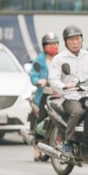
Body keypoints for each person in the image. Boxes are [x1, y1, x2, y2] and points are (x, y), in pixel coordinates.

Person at [48, 25, 88, 156]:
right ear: (66, 42)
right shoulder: (59, 58)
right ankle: (68, 142)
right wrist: (64, 86)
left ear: (82, 40)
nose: (75, 42)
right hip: (70, 96)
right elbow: (53, 79)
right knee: (77, 112)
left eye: (77, 39)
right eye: (71, 40)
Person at [29, 32, 59, 160]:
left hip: (59, 94)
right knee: (42, 121)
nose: (53, 46)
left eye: (55, 43)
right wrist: (39, 81)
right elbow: (33, 75)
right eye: (50, 44)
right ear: (44, 46)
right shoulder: (40, 60)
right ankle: (37, 147)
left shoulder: (61, 58)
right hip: (44, 95)